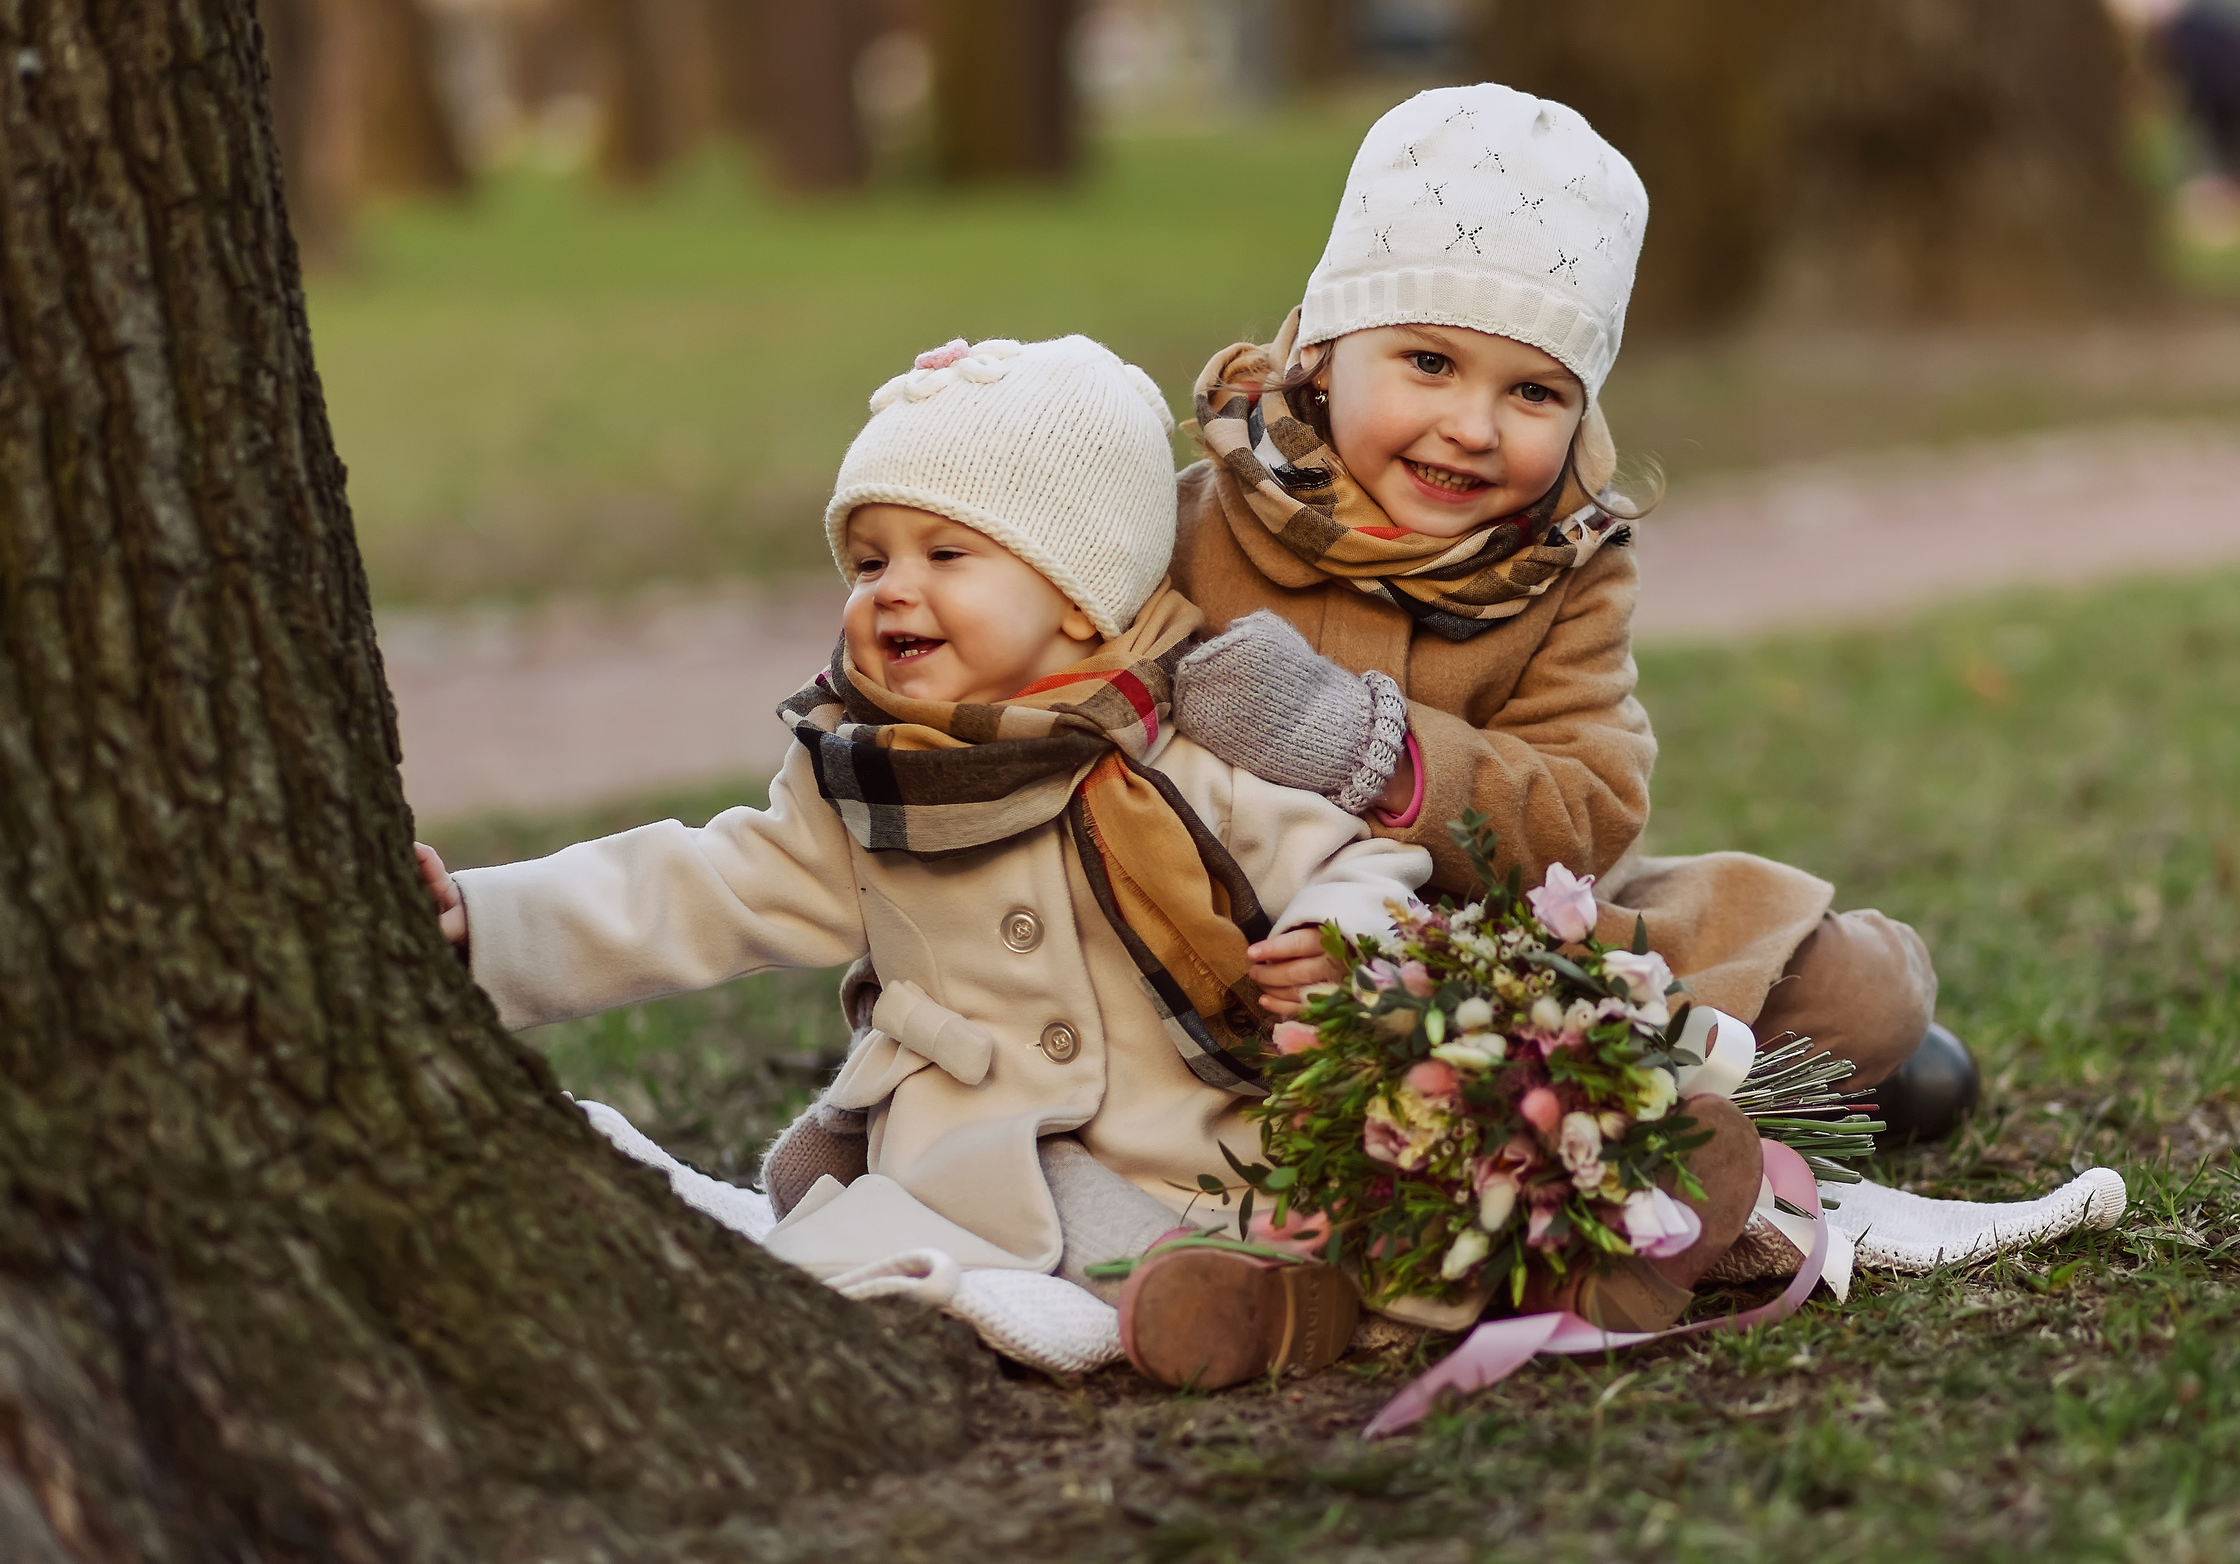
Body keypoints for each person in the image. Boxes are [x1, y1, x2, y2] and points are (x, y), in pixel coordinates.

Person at [415, 335, 1461, 1387]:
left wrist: (1341, 940)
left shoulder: (1184, 746)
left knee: (1296, 1213)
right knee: (971, 1228)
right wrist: (488, 921)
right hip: (971, 1138)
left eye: (944, 554)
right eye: (869, 561)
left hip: (1187, 1121)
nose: (890, 591)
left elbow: (1352, 859)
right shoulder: (865, 774)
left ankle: (1247, 1290)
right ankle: (1211, 1295)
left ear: (1076, 593)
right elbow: (701, 885)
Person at [1161, 85, 1980, 1326]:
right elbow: (1017, 607)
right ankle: (1620, 1129)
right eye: (1427, 361)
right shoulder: (1186, 522)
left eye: (1532, 392)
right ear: (1323, 352)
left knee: (1850, 989)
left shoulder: (1567, 571)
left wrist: (1371, 752)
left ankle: (1696, 1087)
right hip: (1221, 957)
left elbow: (1589, 807)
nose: (1470, 427)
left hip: (1497, 944)